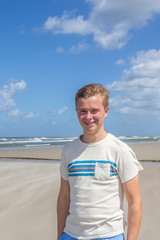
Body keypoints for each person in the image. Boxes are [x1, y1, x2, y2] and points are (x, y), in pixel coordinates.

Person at [57, 83, 143, 240]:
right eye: (83, 111)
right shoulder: (68, 150)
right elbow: (64, 196)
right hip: (70, 234)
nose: (88, 117)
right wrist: (60, 235)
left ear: (106, 111)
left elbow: (135, 202)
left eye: (94, 111)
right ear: (76, 112)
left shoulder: (120, 150)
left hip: (108, 234)